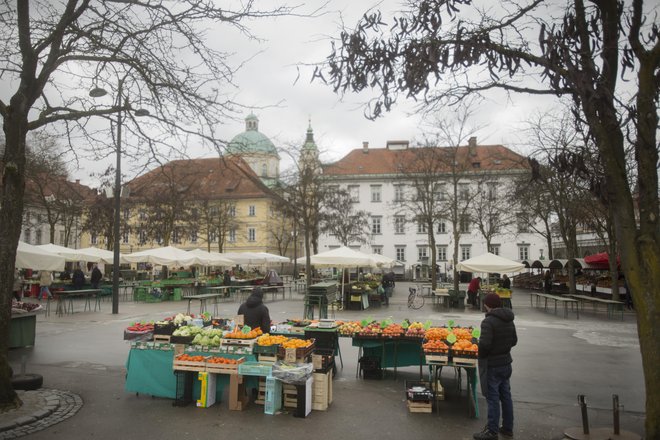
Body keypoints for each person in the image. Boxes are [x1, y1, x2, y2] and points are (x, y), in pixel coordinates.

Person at [474, 293, 518, 440]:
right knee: (506, 396)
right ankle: (507, 428)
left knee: (492, 398)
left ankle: (492, 431)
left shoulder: (488, 322)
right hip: (506, 363)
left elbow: (485, 345)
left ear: (488, 305)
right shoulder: (509, 319)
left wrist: (480, 352)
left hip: (492, 365)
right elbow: (514, 341)